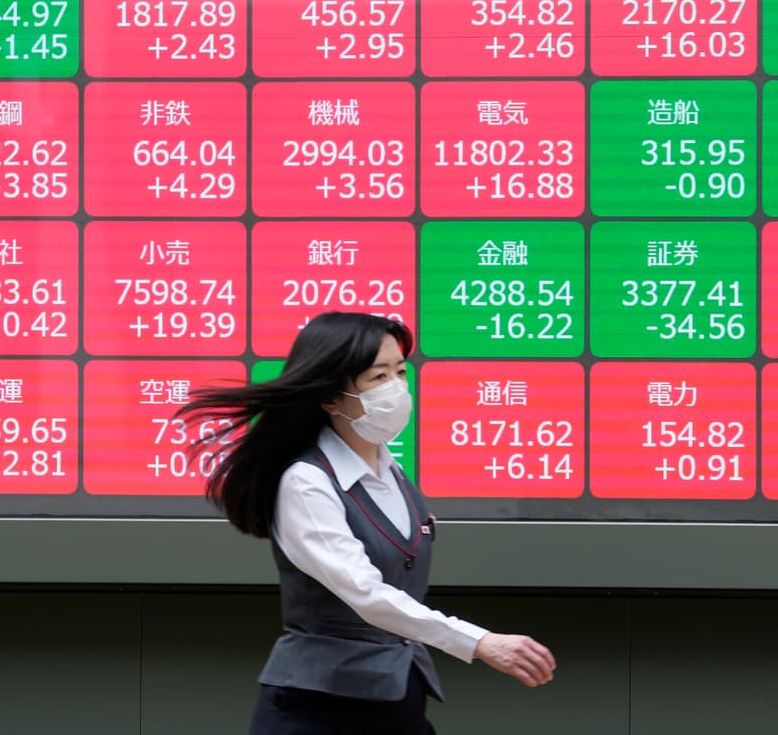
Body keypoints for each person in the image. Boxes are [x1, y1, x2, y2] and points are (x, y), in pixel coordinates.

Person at [179, 311, 555, 734]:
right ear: (330, 398)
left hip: (392, 700)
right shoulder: (307, 482)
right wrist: (479, 642)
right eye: (378, 377)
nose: (396, 389)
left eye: (400, 372)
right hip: (319, 708)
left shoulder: (392, 474)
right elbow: (366, 593)